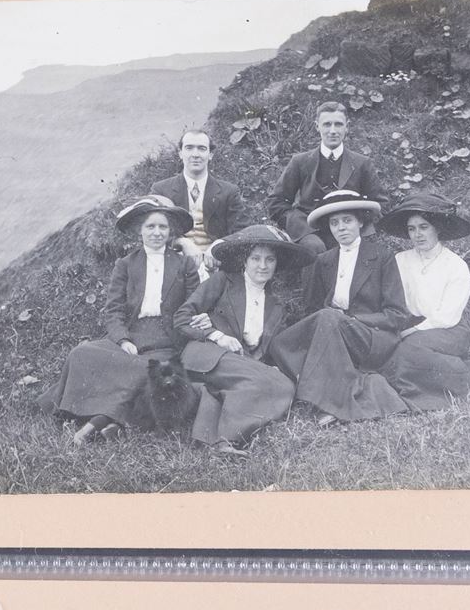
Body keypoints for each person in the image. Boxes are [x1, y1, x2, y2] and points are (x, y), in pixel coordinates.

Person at [54, 195, 197, 444]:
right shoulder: (126, 264)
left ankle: (93, 424)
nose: (156, 233)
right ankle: (98, 417)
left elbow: (194, 305)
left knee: (146, 370)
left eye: (162, 227)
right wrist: (122, 340)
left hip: (165, 339)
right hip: (132, 333)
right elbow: (114, 310)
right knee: (82, 352)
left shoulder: (184, 265)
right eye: (150, 227)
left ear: (171, 230)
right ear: (139, 231)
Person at [267, 189, 416, 423]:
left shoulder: (382, 256)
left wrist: (355, 320)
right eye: (335, 223)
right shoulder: (324, 260)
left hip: (373, 335)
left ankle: (328, 404)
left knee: (328, 318)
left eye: (347, 220)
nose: (341, 228)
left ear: (360, 222)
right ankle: (321, 389)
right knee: (280, 342)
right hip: (332, 330)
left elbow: (396, 315)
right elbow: (312, 308)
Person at [173, 223, 307, 455]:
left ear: (277, 264)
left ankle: (221, 442)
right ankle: (228, 437)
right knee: (275, 384)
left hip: (242, 365)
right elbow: (182, 317)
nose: (263, 266)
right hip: (208, 355)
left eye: (270, 260)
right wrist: (217, 335)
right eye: (256, 258)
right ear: (245, 261)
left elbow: (266, 349)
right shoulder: (223, 281)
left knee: (285, 385)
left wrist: (271, 367)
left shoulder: (276, 304)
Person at [379, 190, 470, 410]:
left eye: (424, 227)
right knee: (389, 355)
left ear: (437, 228)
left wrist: (410, 332)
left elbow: (447, 315)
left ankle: (468, 379)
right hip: (410, 325)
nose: (417, 235)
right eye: (412, 229)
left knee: (408, 352)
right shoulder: (399, 261)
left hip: (450, 328)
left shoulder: (455, 265)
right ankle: (448, 374)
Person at [266, 103, 388, 261]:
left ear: (347, 127)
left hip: (347, 228)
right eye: (327, 124)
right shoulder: (300, 161)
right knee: (313, 247)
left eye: (338, 124)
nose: (333, 131)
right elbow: (276, 202)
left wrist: (358, 223)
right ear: (317, 126)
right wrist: (299, 226)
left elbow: (381, 203)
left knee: (353, 249)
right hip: (310, 230)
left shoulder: (361, 163)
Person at [148, 129, 247, 277]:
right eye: (189, 148)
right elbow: (150, 230)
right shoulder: (161, 189)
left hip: (217, 267)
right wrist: (181, 242)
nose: (195, 154)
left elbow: (242, 232)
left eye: (202, 148)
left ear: (210, 154)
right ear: (180, 153)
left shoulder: (229, 191)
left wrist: (220, 245)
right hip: (174, 267)